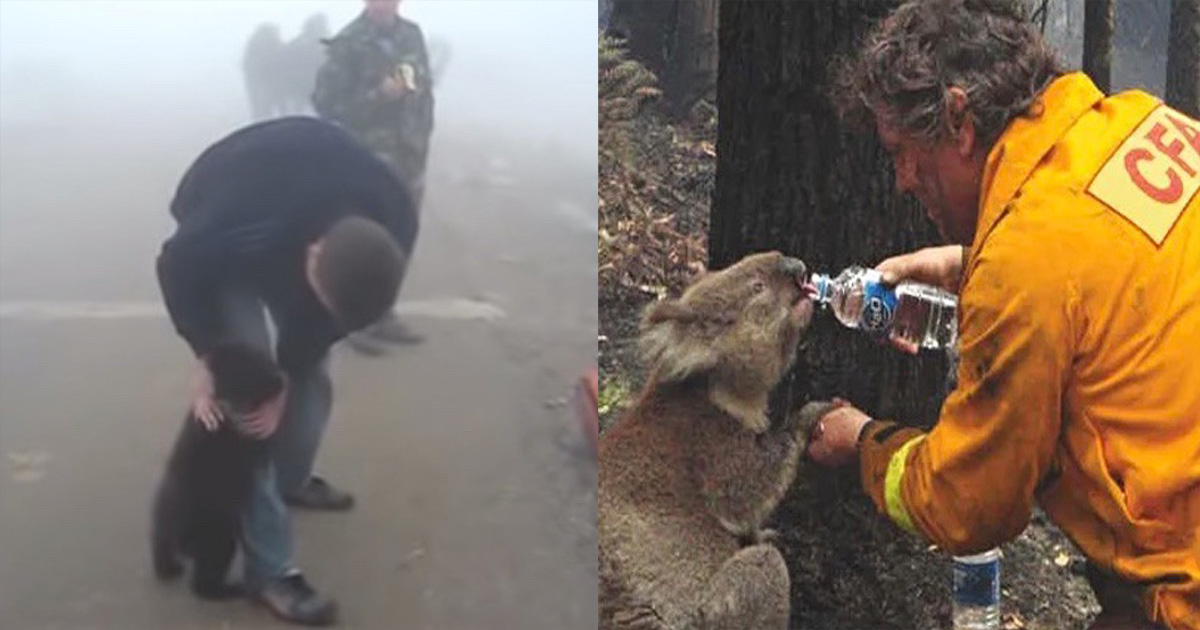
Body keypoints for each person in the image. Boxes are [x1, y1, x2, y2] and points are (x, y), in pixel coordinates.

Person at [804, 1, 1200, 629]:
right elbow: (1108, 276)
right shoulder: (1139, 123)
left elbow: (970, 504)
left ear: (959, 120)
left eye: (902, 151)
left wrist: (862, 445)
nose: (903, 180)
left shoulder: (1025, 263)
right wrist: (968, 264)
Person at [157, 116, 416, 626]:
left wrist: (290, 376)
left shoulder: (395, 215)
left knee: (311, 377)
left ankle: (290, 480)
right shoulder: (240, 212)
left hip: (301, 217)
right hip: (224, 236)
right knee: (246, 394)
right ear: (313, 252)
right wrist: (209, 354)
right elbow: (177, 264)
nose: (319, 316)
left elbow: (330, 321)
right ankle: (270, 570)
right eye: (319, 300)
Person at [312, 0, 435, 353]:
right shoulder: (348, 43)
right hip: (367, 164)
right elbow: (326, 104)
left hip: (409, 159)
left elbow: (424, 93)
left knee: (401, 236)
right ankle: (353, 321)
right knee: (363, 241)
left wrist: (422, 137)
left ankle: (383, 314)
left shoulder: (412, 36)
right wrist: (377, 96)